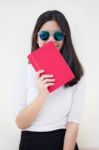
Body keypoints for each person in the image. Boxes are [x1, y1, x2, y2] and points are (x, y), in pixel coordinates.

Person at [12, 10, 85, 150]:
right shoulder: (23, 72)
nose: (51, 41)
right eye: (44, 35)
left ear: (65, 38)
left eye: (58, 35)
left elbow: (73, 123)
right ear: (36, 38)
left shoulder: (77, 74)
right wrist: (42, 94)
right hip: (31, 143)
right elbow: (21, 124)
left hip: (64, 143)